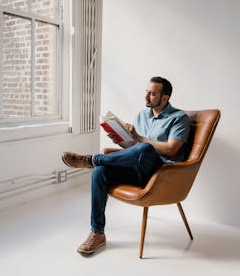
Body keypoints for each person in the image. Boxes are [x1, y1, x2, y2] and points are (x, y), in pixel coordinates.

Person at [62, 76, 190, 255]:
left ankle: (92, 159)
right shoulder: (142, 115)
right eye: (146, 92)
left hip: (159, 174)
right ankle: (97, 233)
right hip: (135, 168)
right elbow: (133, 149)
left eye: (152, 94)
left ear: (165, 98)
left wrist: (139, 139)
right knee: (100, 172)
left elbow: (170, 150)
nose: (146, 97)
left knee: (145, 146)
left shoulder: (179, 118)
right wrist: (120, 140)